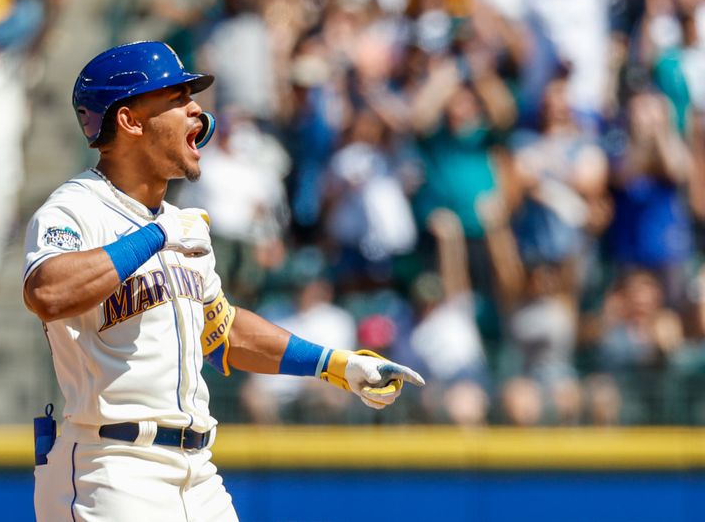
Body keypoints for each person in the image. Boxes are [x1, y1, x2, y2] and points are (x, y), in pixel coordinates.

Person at [22, 41, 424, 522]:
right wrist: (154, 237)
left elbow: (223, 332)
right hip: (111, 468)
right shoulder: (76, 208)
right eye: (175, 98)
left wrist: (335, 365)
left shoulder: (178, 225)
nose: (196, 109)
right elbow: (47, 292)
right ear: (129, 121)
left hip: (199, 472)